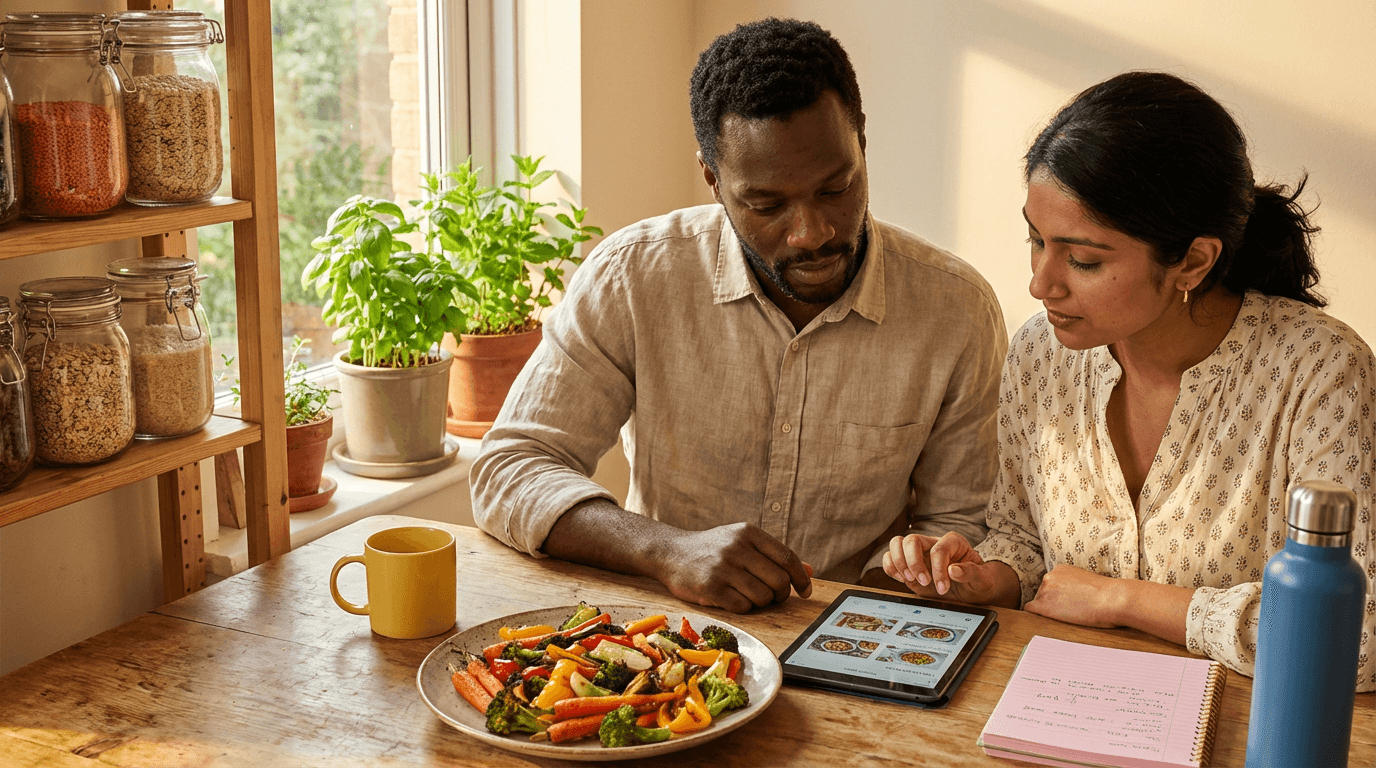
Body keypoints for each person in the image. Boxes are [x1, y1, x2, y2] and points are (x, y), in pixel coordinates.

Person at [471, 18, 1007, 613]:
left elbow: (963, 523)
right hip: (665, 638)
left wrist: (906, 580)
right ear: (713, 179)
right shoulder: (633, 277)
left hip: (860, 637)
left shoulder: (956, 310)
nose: (811, 234)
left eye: (836, 188)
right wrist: (667, 551)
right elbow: (510, 469)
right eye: (766, 204)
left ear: (862, 146)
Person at [883, 71, 1376, 688]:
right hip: (1059, 708)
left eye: (1083, 260)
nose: (1041, 283)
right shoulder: (1042, 353)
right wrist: (986, 576)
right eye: (1035, 240)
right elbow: (1024, 542)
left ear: (1193, 260)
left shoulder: (1320, 373)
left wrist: (1123, 600)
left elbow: (1358, 637)